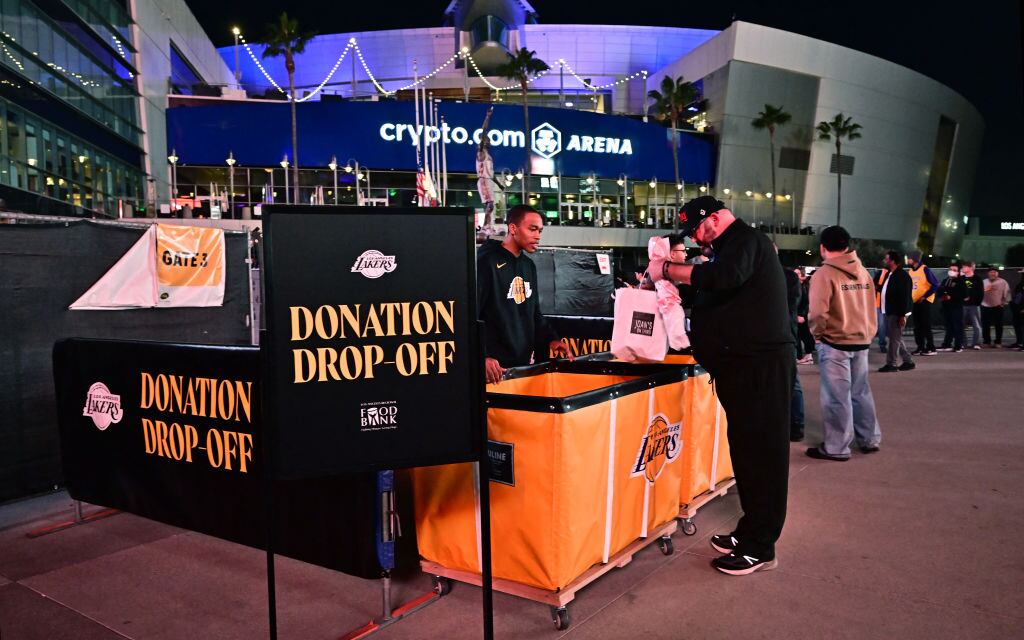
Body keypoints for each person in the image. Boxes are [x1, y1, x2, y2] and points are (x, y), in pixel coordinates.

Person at [647, 196, 793, 576]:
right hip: (740, 367)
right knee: (746, 453)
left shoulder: (747, 241)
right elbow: (716, 291)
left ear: (713, 220)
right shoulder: (728, 251)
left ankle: (761, 547)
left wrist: (669, 269)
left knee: (763, 455)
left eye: (696, 230)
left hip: (759, 366)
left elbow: (724, 278)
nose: (696, 240)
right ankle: (750, 530)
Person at [805, 226, 881, 460]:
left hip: (835, 342)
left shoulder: (824, 274)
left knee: (836, 396)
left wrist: (817, 334)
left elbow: (817, 313)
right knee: (861, 393)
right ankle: (869, 439)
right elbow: (871, 305)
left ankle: (837, 447)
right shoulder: (862, 271)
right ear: (847, 246)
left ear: (822, 247)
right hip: (862, 339)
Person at [477, 205, 572, 384]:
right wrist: (483, 356)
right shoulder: (486, 263)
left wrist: (552, 339)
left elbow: (534, 313)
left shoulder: (528, 266)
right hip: (495, 370)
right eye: (532, 229)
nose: (538, 236)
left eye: (540, 231)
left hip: (523, 367)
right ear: (513, 228)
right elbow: (470, 316)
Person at [782, 255, 806, 442]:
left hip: (782, 337)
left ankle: (796, 426)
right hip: (788, 335)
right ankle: (795, 426)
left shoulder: (786, 277)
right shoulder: (789, 278)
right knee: (792, 383)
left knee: (792, 383)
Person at [879, 250, 915, 372]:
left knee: (894, 338)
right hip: (891, 310)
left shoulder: (902, 276)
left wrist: (902, 315)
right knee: (895, 337)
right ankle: (908, 361)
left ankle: (892, 364)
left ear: (893, 261)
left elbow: (905, 297)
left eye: (887, 258)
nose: (885, 260)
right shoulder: (891, 274)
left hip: (897, 312)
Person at [906, 250, 939, 356]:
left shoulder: (924, 269)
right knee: (917, 326)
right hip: (915, 302)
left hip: (924, 301)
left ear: (914, 259)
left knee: (926, 325)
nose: (907, 259)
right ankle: (920, 347)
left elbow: (935, 284)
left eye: (909, 257)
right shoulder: (910, 271)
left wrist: (925, 296)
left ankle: (931, 348)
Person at [937, 263, 967, 352]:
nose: (952, 271)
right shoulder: (945, 280)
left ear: (958, 272)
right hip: (946, 307)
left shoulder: (961, 281)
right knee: (949, 326)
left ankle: (959, 345)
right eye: (950, 269)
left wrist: (952, 296)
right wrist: (942, 296)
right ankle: (947, 344)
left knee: (957, 326)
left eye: (954, 270)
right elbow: (940, 291)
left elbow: (964, 294)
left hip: (956, 307)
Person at [981, 267, 1010, 347]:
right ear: (988, 273)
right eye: (991, 272)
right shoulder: (983, 282)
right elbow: (979, 293)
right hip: (985, 306)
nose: (993, 274)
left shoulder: (1003, 282)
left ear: (997, 273)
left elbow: (1007, 293)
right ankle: (986, 341)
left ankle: (998, 342)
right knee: (985, 325)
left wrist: (1004, 303)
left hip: (998, 306)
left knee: (998, 325)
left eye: (995, 272)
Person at [961, 261, 984, 350]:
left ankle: (976, 343)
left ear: (971, 268)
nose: (963, 268)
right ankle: (963, 343)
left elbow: (980, 292)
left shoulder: (977, 279)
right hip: (963, 305)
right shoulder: (961, 278)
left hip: (974, 305)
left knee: (977, 325)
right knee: (961, 324)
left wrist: (977, 302)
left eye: (964, 267)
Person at [795, 268, 815, 364]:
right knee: (802, 335)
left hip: (802, 315)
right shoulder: (798, 285)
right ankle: (805, 356)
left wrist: (802, 315)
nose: (797, 275)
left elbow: (806, 302)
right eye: (795, 273)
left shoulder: (804, 285)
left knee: (804, 335)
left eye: (798, 273)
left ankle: (807, 356)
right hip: (799, 314)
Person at [874, 266, 889, 354]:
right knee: (881, 326)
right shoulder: (881, 273)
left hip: (890, 304)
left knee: (887, 326)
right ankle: (882, 345)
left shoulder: (896, 274)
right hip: (880, 304)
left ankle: (892, 345)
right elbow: (874, 286)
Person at [1010, 270, 1024, 351]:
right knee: (1017, 325)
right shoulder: (1021, 283)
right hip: (1017, 308)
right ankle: (1019, 342)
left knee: (1022, 326)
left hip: (1022, 308)